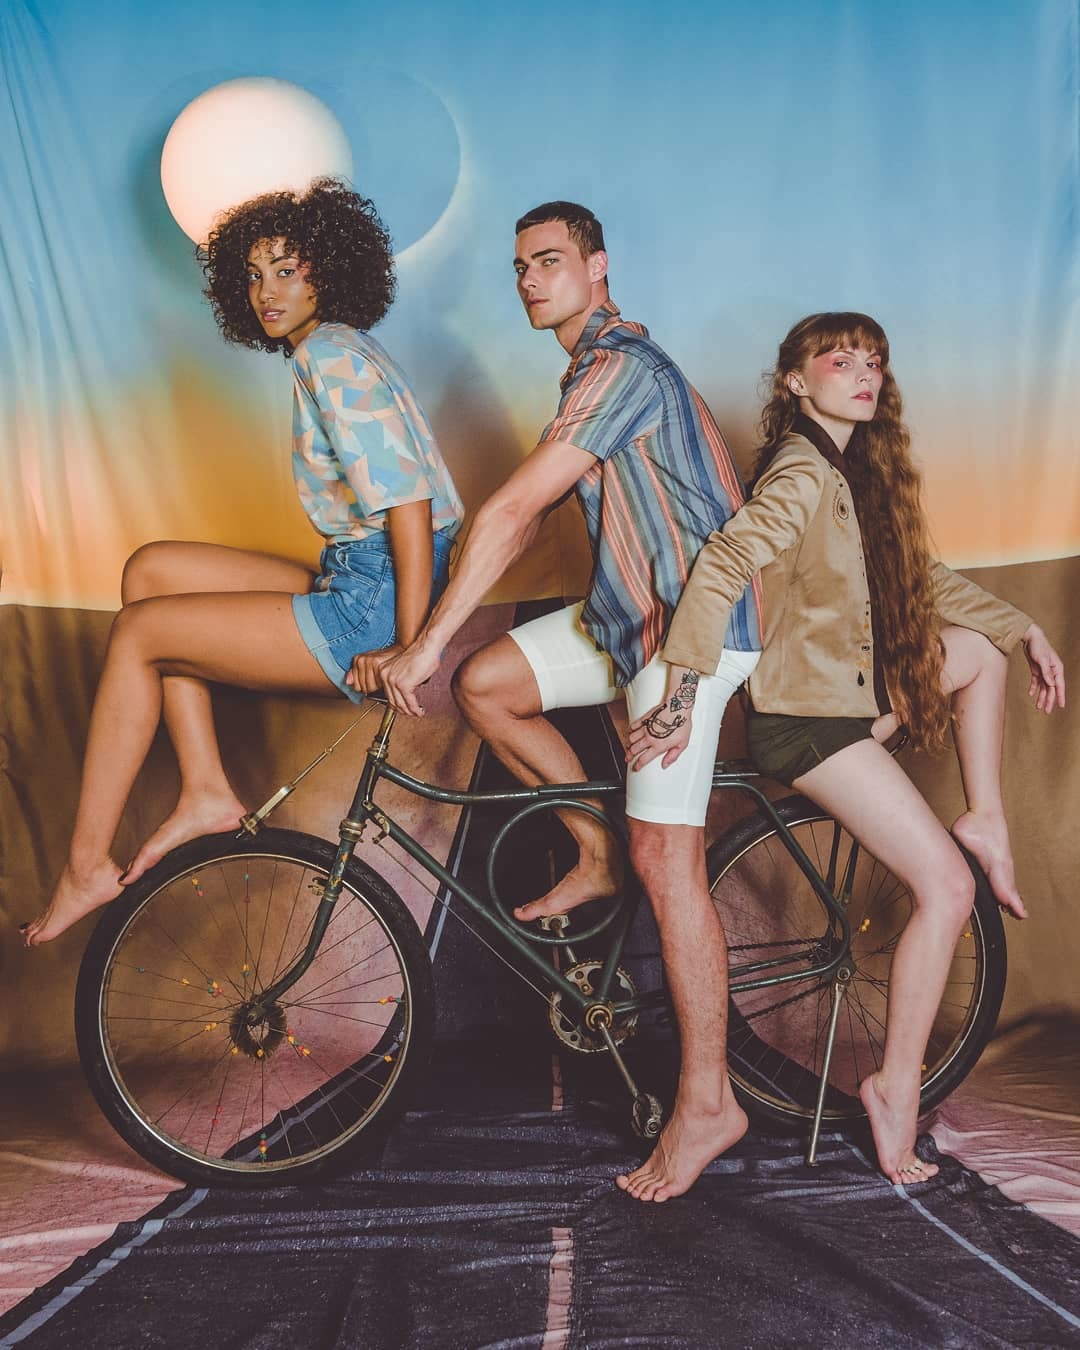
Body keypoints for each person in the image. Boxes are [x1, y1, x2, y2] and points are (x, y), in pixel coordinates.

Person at [377, 200, 764, 1203]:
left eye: (548, 260)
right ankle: (594, 850)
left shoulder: (622, 368)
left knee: (667, 858)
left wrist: (423, 642)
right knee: (487, 685)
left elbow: (513, 510)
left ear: (599, 266)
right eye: (518, 267)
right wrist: (446, 648)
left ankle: (710, 1102)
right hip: (628, 618)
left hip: (690, 634)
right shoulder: (588, 370)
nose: (529, 280)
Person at [628, 311, 1066, 1189]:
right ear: (795, 382)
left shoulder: (850, 471)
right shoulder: (801, 470)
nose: (864, 373)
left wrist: (1023, 627)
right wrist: (679, 696)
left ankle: (985, 818)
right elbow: (723, 563)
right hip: (808, 721)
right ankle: (894, 1089)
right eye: (841, 359)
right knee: (946, 889)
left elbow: (921, 580)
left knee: (978, 653)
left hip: (847, 701)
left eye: (874, 361)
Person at [22, 179, 463, 946]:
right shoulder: (336, 347)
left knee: (138, 634)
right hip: (360, 569)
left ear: (328, 270)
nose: (267, 292)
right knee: (152, 573)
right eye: (254, 275)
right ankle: (204, 788)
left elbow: (411, 505)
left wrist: (407, 644)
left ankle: (86, 864)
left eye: (286, 270)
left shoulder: (330, 355)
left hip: (378, 595)